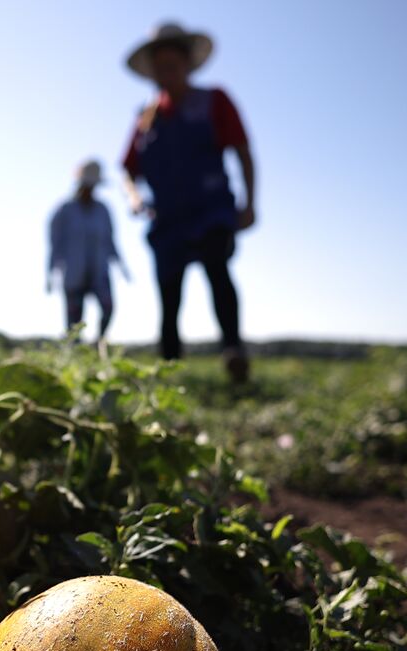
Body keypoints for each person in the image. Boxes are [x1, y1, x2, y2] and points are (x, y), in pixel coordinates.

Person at [120, 21, 256, 384]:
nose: (167, 72)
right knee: (169, 295)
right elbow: (128, 170)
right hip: (167, 219)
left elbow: (243, 151)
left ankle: (233, 351)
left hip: (211, 208)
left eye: (172, 63)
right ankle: (169, 371)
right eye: (160, 66)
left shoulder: (215, 101)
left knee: (218, 272)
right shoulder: (145, 119)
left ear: (186, 64)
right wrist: (134, 198)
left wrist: (249, 202)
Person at [47, 159, 128, 343]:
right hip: (74, 274)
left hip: (99, 272)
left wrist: (122, 266)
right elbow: (55, 243)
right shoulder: (64, 211)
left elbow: (110, 240)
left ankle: (99, 343)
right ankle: (75, 356)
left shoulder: (103, 210)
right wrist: (50, 272)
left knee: (108, 308)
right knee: (74, 324)